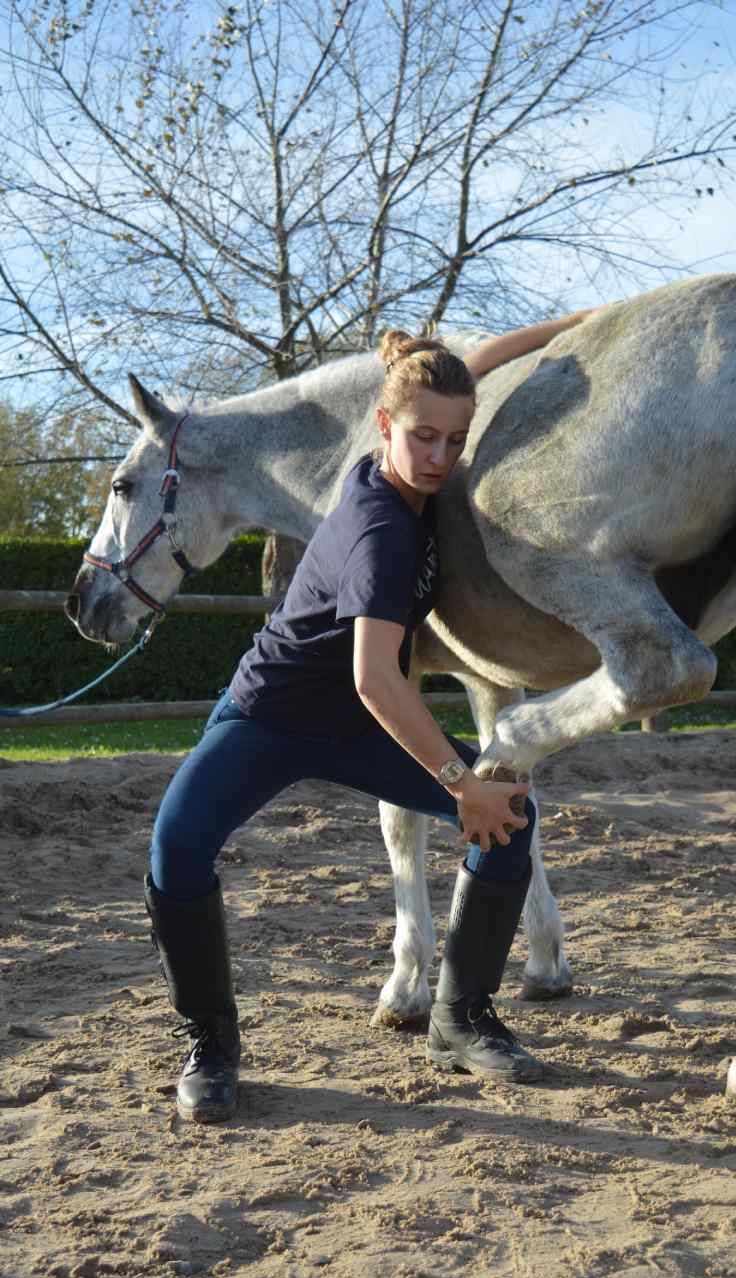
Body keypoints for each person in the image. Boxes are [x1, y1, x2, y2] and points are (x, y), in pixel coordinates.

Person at [144, 310, 593, 1124]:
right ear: (384, 426)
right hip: (273, 714)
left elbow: (477, 360)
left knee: (511, 824)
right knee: (177, 849)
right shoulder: (381, 530)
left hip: (356, 732)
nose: (440, 459)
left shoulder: (405, 451)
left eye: (455, 443)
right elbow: (377, 683)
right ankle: (211, 1041)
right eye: (424, 439)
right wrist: (461, 785)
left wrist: (580, 324)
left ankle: (461, 1018)